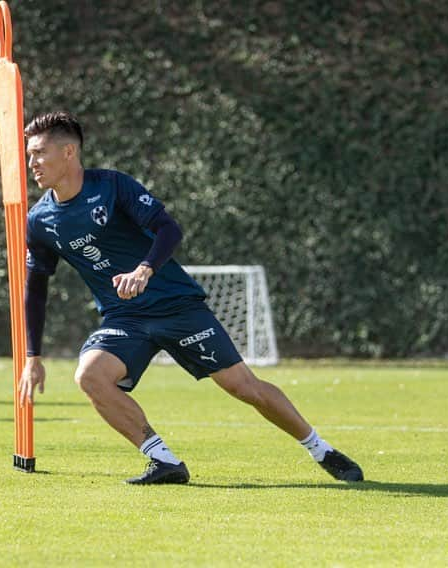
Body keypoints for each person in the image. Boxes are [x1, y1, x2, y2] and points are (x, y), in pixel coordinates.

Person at [18, 111, 363, 485]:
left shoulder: (113, 187)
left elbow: (168, 229)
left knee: (243, 388)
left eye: (39, 153)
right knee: (90, 375)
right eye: (29, 155)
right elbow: (35, 288)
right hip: (124, 319)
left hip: (176, 307)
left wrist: (144, 269)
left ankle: (320, 449)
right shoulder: (40, 220)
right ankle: (163, 461)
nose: (32, 163)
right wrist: (32, 356)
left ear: (69, 152)